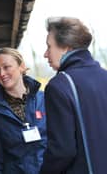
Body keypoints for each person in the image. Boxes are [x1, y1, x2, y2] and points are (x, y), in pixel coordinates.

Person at [40, 17, 107, 174]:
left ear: (65, 48)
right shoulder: (105, 76)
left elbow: (62, 151)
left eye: (49, 47)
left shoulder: (59, 86)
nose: (45, 54)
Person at [0, 47, 47, 174]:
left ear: (21, 66)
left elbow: (61, 143)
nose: (1, 74)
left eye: (6, 67)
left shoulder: (45, 100)